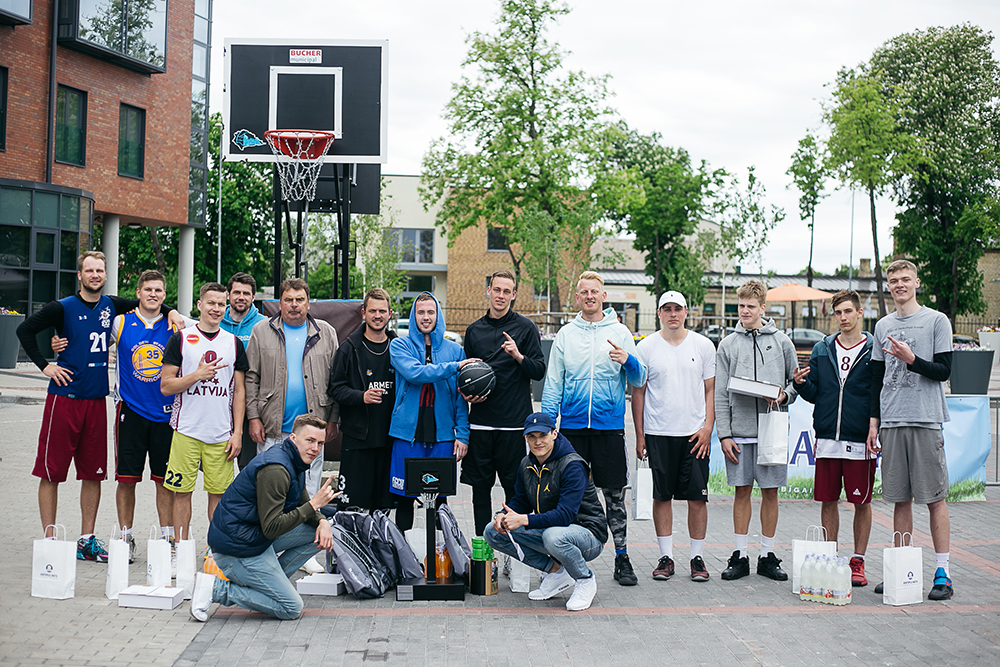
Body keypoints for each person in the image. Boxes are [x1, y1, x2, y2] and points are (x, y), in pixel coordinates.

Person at [15, 251, 182, 560]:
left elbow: (152, 301)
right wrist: (45, 365)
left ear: (105, 276)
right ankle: (50, 538)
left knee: (93, 473)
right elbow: (24, 330)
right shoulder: (61, 307)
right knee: (51, 472)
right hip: (64, 399)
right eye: (89, 270)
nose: (95, 275)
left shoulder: (113, 306)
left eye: (100, 270)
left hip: (96, 401)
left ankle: (86, 539)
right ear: (80, 275)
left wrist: (172, 312)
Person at [540, 271, 647, 586]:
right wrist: (547, 429)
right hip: (572, 431)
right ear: (577, 297)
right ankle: (567, 564)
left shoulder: (620, 331)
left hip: (608, 429)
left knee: (615, 497)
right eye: (584, 291)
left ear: (603, 296)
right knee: (570, 500)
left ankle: (622, 558)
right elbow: (553, 385)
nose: (589, 296)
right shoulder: (566, 334)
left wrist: (628, 360)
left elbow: (640, 379)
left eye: (594, 291)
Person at [192, 414, 339, 621]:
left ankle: (270, 584)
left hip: (254, 537)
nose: (315, 448)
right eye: (310, 440)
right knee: (291, 607)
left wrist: (322, 520)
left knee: (321, 531)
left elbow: (302, 502)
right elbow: (272, 527)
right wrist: (315, 505)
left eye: (320, 443)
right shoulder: (277, 469)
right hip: (237, 549)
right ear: (293, 438)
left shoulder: (294, 459)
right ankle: (216, 589)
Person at [867, 260, 954, 600]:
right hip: (891, 421)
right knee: (899, 499)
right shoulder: (882, 325)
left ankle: (943, 572)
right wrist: (874, 423)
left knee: (934, 498)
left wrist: (912, 359)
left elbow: (944, 371)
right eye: (894, 280)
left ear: (917, 282)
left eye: (905, 279)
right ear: (888, 285)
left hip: (925, 419)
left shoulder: (936, 321)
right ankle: (901, 570)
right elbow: (877, 378)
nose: (900, 284)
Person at [715, 279, 798, 582]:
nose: (745, 311)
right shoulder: (727, 344)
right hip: (739, 432)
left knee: (770, 492)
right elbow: (721, 394)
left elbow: (794, 384)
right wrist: (724, 434)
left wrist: (784, 396)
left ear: (763, 307)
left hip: (771, 429)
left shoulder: (782, 342)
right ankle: (740, 555)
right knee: (741, 492)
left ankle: (767, 554)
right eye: (741, 306)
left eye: (751, 306)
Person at [793, 289, 876, 587]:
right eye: (838, 312)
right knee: (828, 500)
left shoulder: (873, 349)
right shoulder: (822, 348)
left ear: (859, 313)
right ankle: (830, 557)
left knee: (861, 502)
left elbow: (877, 393)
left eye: (848, 312)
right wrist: (800, 384)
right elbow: (815, 393)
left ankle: (858, 561)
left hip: (859, 438)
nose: (842, 318)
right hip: (828, 436)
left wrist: (874, 426)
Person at [484, 412, 609, 612]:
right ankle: (556, 572)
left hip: (589, 536)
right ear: (525, 438)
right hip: (554, 531)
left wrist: (524, 520)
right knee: (492, 531)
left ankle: (585, 579)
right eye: (531, 436)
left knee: (553, 536)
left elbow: (565, 515)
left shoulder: (572, 465)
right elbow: (520, 501)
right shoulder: (526, 464)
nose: (537, 441)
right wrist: (503, 515)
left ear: (554, 434)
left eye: (543, 435)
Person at [632, 291, 716, 582]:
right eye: (666, 309)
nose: (672, 314)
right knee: (662, 496)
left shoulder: (703, 345)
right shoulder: (646, 348)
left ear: (686, 311)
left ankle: (697, 557)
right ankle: (665, 556)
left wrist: (708, 427)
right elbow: (638, 393)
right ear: (658, 314)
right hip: (658, 432)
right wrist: (640, 436)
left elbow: (710, 390)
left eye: (677, 309)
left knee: (697, 499)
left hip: (694, 435)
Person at [160, 282, 248, 545]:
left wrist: (238, 433)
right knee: (181, 493)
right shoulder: (181, 339)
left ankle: (215, 551)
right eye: (211, 303)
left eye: (222, 304)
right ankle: (181, 548)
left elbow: (240, 392)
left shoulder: (233, 343)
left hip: (221, 433)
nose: (216, 309)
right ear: (199, 305)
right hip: (186, 430)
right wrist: (196, 375)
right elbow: (166, 386)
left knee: (219, 497)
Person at [461, 270, 546, 536]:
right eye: (497, 290)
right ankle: (483, 551)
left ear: (514, 295)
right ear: (488, 291)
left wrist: (518, 355)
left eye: (506, 291)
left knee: (515, 492)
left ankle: (515, 551)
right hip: (482, 425)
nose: (501, 296)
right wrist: (466, 393)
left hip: (513, 426)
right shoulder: (474, 330)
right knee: (480, 492)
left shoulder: (526, 328)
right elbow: (465, 375)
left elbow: (538, 371)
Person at [109, 270, 182, 562]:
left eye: (159, 291)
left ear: (165, 296)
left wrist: (173, 312)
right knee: (127, 479)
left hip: (165, 415)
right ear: (138, 292)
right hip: (131, 412)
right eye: (148, 289)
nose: (153, 294)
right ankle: (125, 537)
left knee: (164, 480)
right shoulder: (120, 323)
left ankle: (167, 537)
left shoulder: (176, 325)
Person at [245, 278, 339, 497]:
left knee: (310, 490)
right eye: (288, 299)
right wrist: (253, 418)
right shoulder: (260, 331)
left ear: (308, 304)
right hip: (272, 430)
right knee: (270, 489)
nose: (294, 304)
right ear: (280, 303)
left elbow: (336, 379)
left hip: (314, 431)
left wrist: (333, 419)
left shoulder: (326, 333)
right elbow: (251, 377)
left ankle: (305, 531)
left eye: (299, 299)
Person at [388, 292, 474, 530]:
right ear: (413, 315)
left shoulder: (454, 350)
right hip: (408, 434)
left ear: (438, 315)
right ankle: (403, 561)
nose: (426, 317)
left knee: (440, 501)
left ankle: (438, 561)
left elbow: (460, 398)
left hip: (443, 436)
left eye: (430, 312)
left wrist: (463, 435)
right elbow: (415, 373)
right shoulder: (399, 345)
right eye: (420, 312)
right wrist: (454, 367)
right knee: (404, 500)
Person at [327, 288, 397, 513]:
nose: (378, 315)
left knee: (384, 508)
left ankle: (380, 548)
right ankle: (350, 548)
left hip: (390, 441)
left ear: (390, 313)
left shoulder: (399, 348)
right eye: (373, 311)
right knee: (352, 507)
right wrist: (361, 396)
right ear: (363, 312)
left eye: (382, 311)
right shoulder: (349, 348)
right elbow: (335, 389)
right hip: (358, 440)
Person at [221, 272, 266, 472]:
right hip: (219, 404)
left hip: (250, 405)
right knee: (219, 467)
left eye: (246, 293)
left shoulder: (264, 325)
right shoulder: (215, 320)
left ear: (253, 297)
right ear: (228, 295)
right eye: (237, 292)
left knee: (247, 469)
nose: (241, 297)